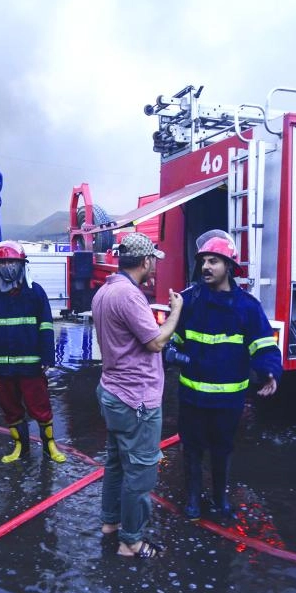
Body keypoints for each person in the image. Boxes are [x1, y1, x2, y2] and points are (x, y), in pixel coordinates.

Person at [171, 232, 282, 520]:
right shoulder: (188, 301)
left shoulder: (247, 306)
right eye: (204, 261)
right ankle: (194, 499)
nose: (206, 267)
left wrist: (270, 371)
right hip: (193, 395)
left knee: (222, 450)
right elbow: (169, 339)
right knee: (192, 450)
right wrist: (169, 352)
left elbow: (263, 344)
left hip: (228, 400)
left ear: (229, 266)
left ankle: (220, 499)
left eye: (214, 261)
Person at [92, 232, 182, 558]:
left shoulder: (105, 291)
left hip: (113, 392)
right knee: (140, 472)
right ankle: (130, 541)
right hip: (136, 400)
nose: (153, 268)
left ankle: (110, 524)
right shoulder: (130, 297)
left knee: (116, 464)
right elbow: (156, 341)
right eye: (152, 263)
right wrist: (176, 312)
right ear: (145, 262)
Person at [0, 240, 65, 463]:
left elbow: (45, 326)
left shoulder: (35, 292)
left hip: (30, 365)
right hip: (3, 367)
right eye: (3, 263)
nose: (8, 267)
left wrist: (47, 357)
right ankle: (20, 448)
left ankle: (49, 446)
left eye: (12, 262)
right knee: (10, 408)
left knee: (40, 406)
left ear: (22, 264)